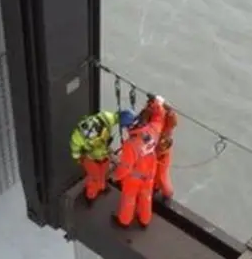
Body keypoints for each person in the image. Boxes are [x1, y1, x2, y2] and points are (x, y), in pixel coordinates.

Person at [111, 94, 166, 228]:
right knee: (146, 197)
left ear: (128, 126)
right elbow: (159, 118)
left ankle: (124, 221)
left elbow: (126, 167)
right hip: (150, 173)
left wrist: (115, 176)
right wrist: (157, 103)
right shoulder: (152, 129)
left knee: (129, 199)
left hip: (134, 178)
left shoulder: (130, 145)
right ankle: (144, 220)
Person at [70, 109, 135, 206]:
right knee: (94, 178)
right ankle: (90, 195)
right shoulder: (80, 136)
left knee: (103, 173)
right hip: (91, 158)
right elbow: (75, 146)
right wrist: (78, 157)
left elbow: (114, 118)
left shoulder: (107, 118)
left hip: (103, 155)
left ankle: (101, 187)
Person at [154, 104, 178, 202]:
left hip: (161, 157)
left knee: (161, 177)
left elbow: (159, 149)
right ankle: (155, 187)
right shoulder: (166, 126)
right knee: (156, 175)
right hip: (160, 155)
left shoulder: (164, 132)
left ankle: (168, 194)